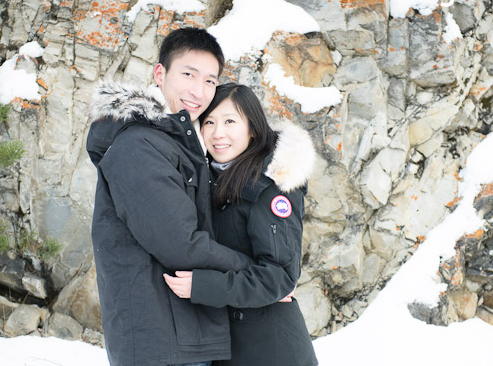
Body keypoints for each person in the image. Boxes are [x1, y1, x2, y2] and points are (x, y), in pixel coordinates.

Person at [86, 28, 254, 366]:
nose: (199, 91)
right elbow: (181, 245)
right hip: (161, 342)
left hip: (182, 333)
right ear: (160, 74)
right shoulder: (139, 146)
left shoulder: (177, 143)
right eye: (188, 74)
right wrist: (257, 273)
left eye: (210, 81)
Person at [164, 83, 319, 366]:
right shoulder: (212, 179)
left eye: (230, 121)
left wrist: (203, 286)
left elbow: (280, 276)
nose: (218, 133)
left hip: (271, 350)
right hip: (232, 347)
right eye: (209, 122)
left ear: (253, 128)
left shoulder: (271, 186)